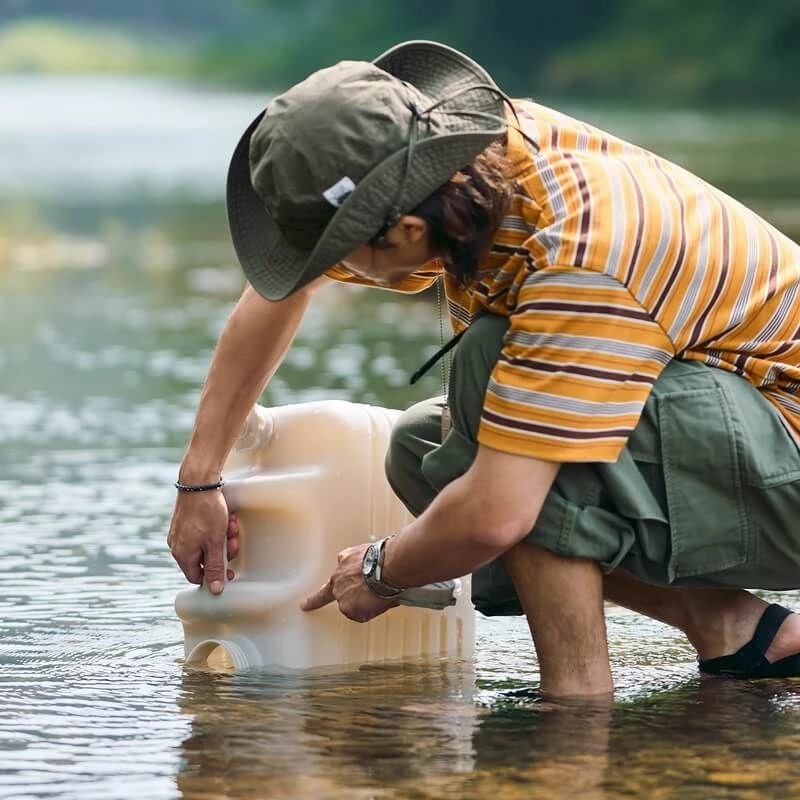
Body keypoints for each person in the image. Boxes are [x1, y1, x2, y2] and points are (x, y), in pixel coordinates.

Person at [167, 40, 800, 700]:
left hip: (788, 454)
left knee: (495, 384)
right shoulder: (468, 163)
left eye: (342, 257)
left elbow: (497, 514)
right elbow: (278, 292)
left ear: (407, 231)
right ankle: (735, 629)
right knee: (424, 448)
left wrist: (383, 570)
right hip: (740, 434)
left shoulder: (577, 256)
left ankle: (577, 704)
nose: (335, 275)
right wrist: (198, 482)